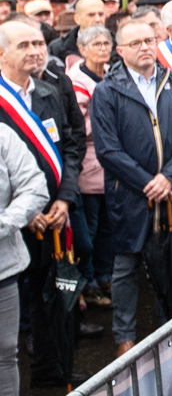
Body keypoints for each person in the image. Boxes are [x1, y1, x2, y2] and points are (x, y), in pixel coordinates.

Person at [90, 17, 172, 356]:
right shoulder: (107, 90)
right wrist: (147, 182)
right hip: (131, 195)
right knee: (126, 265)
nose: (145, 47)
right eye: (136, 43)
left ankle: (171, 325)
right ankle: (125, 335)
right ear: (120, 50)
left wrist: (169, 176)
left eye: (149, 41)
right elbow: (108, 150)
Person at [0, 19, 86, 386]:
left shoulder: (51, 90)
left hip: (56, 214)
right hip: (15, 219)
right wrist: (26, 211)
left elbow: (70, 144)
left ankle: (54, 368)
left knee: (56, 292)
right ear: (2, 52)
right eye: (25, 45)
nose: (36, 50)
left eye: (39, 43)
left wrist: (65, 198)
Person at [1, 118, 50, 396]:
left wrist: (6, 222)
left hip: (3, 270)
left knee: (5, 354)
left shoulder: (3, 136)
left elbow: (35, 186)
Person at [67, 26, 115, 307]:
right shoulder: (75, 81)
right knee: (91, 228)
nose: (102, 48)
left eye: (106, 42)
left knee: (109, 227)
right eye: (95, 44)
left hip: (112, 165)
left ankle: (105, 275)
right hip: (88, 165)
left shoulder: (112, 73)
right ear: (82, 49)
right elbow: (79, 126)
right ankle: (90, 282)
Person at [48, 0, 106, 65]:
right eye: (91, 15)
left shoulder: (117, 44)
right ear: (77, 19)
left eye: (101, 14)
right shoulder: (57, 48)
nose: (98, 19)